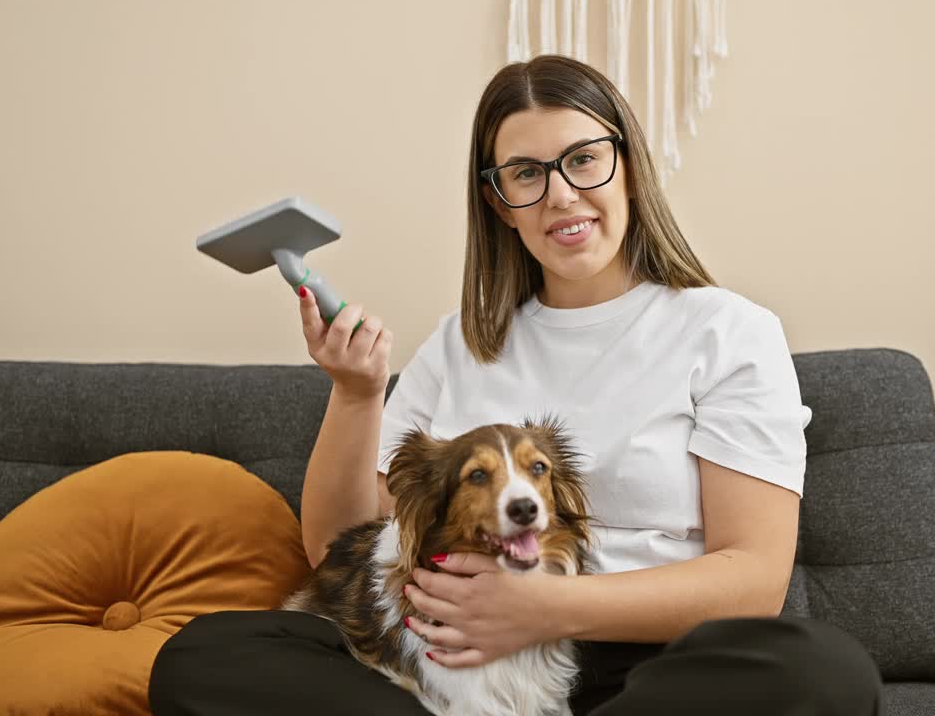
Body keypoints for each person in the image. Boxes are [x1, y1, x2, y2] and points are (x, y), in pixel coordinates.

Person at [149, 55, 883, 715]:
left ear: (627, 167)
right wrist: (356, 394)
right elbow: (340, 546)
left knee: (823, 672)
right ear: (500, 202)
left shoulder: (728, 331)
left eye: (583, 160)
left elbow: (753, 581)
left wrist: (545, 607)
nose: (561, 195)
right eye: (527, 173)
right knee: (203, 658)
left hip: (647, 666)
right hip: (451, 664)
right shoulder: (460, 342)